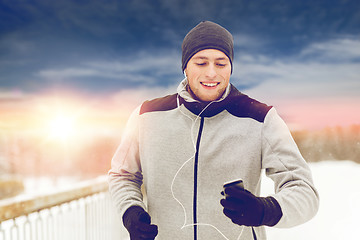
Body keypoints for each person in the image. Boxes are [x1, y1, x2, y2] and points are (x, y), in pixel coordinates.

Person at [108, 21, 319, 240]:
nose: (211, 73)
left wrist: (267, 209)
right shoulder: (146, 116)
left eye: (221, 64)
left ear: (230, 67)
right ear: (185, 67)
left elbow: (304, 191)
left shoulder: (261, 119)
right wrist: (130, 212)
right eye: (201, 63)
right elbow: (122, 175)